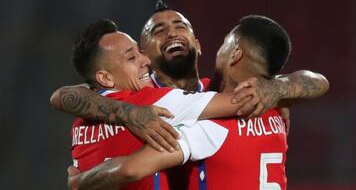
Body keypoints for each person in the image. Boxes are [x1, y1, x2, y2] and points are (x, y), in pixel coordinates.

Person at [66, 15, 329, 190]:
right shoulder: (276, 105)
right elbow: (315, 82)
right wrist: (280, 87)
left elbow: (130, 169)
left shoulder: (210, 119)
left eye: (181, 27)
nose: (171, 34)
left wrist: (79, 184)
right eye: (158, 31)